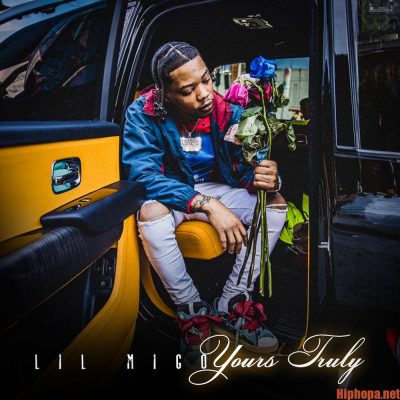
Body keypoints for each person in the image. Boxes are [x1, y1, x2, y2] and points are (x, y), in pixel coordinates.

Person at [122, 42, 287, 361]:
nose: (204, 94)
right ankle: (191, 310)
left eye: (207, 80)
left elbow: (247, 168)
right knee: (151, 212)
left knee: (275, 204)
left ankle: (231, 302)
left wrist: (269, 176)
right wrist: (207, 204)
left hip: (214, 188)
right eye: (188, 90)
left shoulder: (230, 113)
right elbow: (142, 175)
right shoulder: (143, 113)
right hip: (171, 192)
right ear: (166, 94)